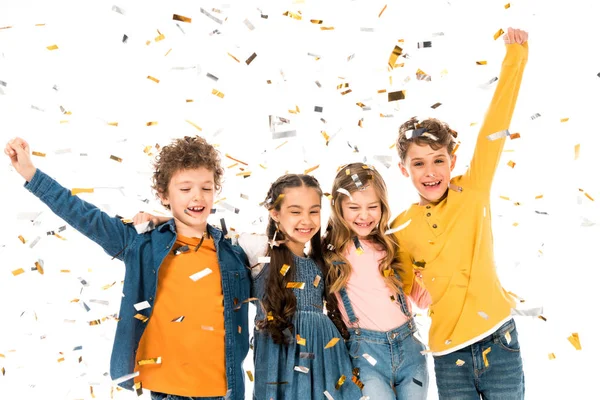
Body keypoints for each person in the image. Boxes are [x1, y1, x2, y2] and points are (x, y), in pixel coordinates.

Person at [4, 135, 250, 400]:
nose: (197, 196)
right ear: (164, 195)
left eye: (206, 187)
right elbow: (85, 216)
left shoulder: (234, 253)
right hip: (167, 391)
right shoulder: (142, 242)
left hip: (223, 392)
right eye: (185, 188)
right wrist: (31, 174)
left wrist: (165, 217)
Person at [391, 28, 529, 399]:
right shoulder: (399, 227)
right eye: (419, 163)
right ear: (405, 170)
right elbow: (403, 290)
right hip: (448, 354)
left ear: (453, 160)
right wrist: (417, 290)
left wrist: (515, 56)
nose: (431, 171)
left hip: (498, 339)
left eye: (439, 160)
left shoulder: (473, 190)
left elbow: (495, 126)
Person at [239, 174, 363, 400]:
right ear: (275, 213)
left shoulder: (320, 260)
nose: (306, 220)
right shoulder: (261, 251)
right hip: (279, 356)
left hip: (325, 358)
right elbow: (212, 237)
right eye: (296, 212)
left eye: (313, 211)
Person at [322, 163, 431, 399]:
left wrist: (430, 275)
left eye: (372, 206)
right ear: (338, 207)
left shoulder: (392, 246)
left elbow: (422, 300)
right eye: (353, 207)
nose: (364, 215)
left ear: (383, 207)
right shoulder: (330, 252)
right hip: (365, 355)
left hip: (410, 351)